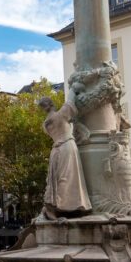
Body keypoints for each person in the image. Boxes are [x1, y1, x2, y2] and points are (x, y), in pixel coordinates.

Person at [38, 89, 91, 219]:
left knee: (59, 179)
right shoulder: (61, 114)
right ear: (51, 104)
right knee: (69, 178)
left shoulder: (45, 124)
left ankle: (57, 206)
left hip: (55, 151)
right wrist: (75, 87)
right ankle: (70, 207)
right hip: (67, 147)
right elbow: (71, 100)